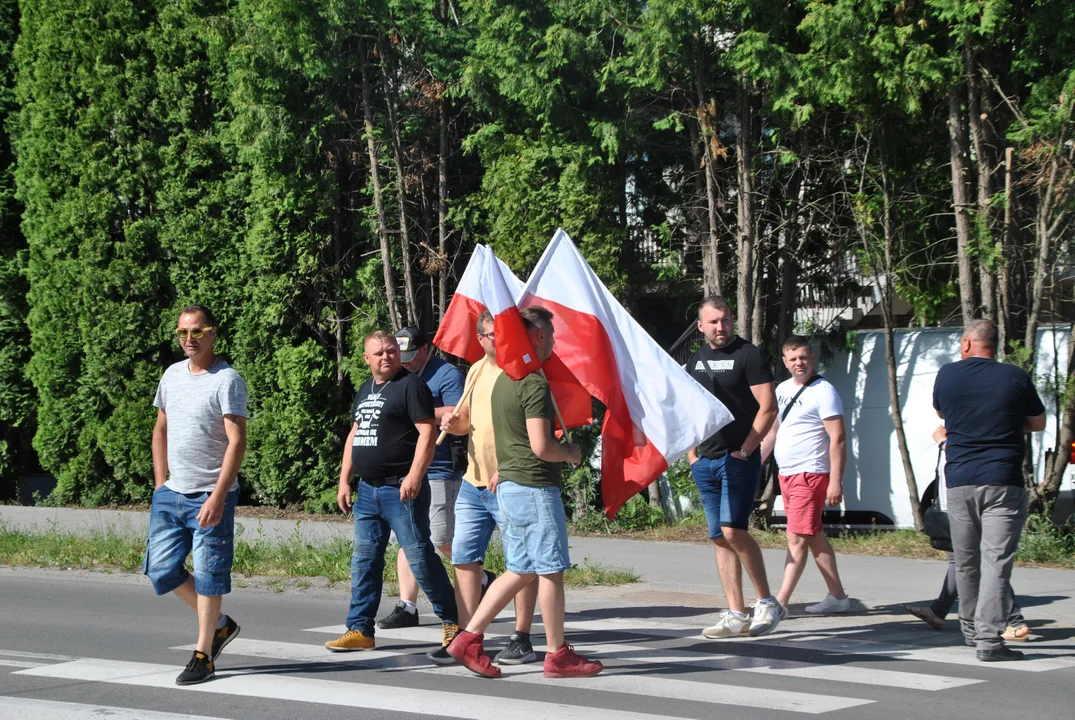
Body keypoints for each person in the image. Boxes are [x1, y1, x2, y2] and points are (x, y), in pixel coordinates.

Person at [446, 307, 603, 679]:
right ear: (533, 337)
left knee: (521, 568)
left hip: (509, 485)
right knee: (550, 569)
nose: (552, 341)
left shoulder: (502, 381)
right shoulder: (532, 381)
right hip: (533, 486)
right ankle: (557, 654)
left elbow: (507, 440)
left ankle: (468, 637)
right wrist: (569, 453)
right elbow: (540, 447)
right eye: (548, 334)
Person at [325, 330, 459, 660]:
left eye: (391, 351)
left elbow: (428, 431)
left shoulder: (411, 385)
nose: (387, 356)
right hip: (368, 491)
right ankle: (360, 629)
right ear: (366, 358)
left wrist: (414, 475)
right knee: (364, 561)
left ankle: (453, 623)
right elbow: (355, 435)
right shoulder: (365, 390)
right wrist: (345, 480)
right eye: (379, 352)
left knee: (420, 557)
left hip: (400, 488)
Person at [933, 319, 1045, 662]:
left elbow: (942, 416)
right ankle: (989, 641)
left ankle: (970, 632)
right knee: (996, 563)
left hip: (960, 480)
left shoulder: (947, 375)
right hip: (1002, 480)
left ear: (967, 343)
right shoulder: (1014, 376)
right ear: (995, 346)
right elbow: (1037, 423)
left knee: (966, 562)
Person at [146, 305, 247, 686]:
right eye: (183, 333)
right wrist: (160, 485)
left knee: (208, 577)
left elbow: (237, 441)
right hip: (171, 494)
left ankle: (203, 654)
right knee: (160, 570)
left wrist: (219, 496)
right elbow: (160, 429)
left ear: (212, 334)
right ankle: (220, 626)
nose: (189, 339)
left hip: (210, 494)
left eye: (197, 331)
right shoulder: (171, 375)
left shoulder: (227, 379)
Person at [440, 311, 540, 665]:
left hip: (510, 481)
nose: (499, 340)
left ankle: (522, 636)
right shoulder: (476, 370)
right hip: (473, 480)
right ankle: (468, 637)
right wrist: (452, 423)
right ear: (481, 339)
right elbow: (467, 423)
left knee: (522, 562)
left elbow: (535, 431)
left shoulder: (520, 371)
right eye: (492, 335)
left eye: (503, 334)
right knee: (464, 558)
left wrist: (509, 468)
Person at [685, 295, 782, 638]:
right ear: (701, 326)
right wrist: (692, 455)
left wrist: (746, 449)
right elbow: (690, 410)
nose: (720, 327)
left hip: (737, 457)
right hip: (705, 461)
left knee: (733, 530)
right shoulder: (696, 361)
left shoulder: (748, 354)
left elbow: (767, 407)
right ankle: (736, 613)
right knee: (718, 538)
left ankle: (767, 602)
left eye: (725, 320)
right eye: (713, 322)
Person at [376, 326, 465, 634]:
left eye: (412, 356)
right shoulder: (397, 376)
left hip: (439, 468)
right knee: (406, 537)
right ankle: (407, 606)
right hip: (405, 468)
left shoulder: (447, 375)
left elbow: (459, 413)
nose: (408, 362)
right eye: (404, 357)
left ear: (427, 350)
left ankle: (478, 578)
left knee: (440, 539)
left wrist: (419, 412)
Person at [906, 425, 1030, 642]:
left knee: (982, 561)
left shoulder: (967, 427)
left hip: (967, 498)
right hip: (965, 497)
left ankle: (1013, 621)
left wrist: (943, 442)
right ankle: (938, 611)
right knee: (963, 561)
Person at [760, 335, 851, 615]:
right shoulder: (782, 390)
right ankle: (837, 597)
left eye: (804, 357)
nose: (799, 363)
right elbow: (773, 431)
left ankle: (780, 603)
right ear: (785, 362)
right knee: (813, 535)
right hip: (786, 474)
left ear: (812, 357)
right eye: (793, 358)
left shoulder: (824, 391)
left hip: (810, 473)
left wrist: (835, 480)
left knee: (797, 537)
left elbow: (837, 438)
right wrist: (753, 463)